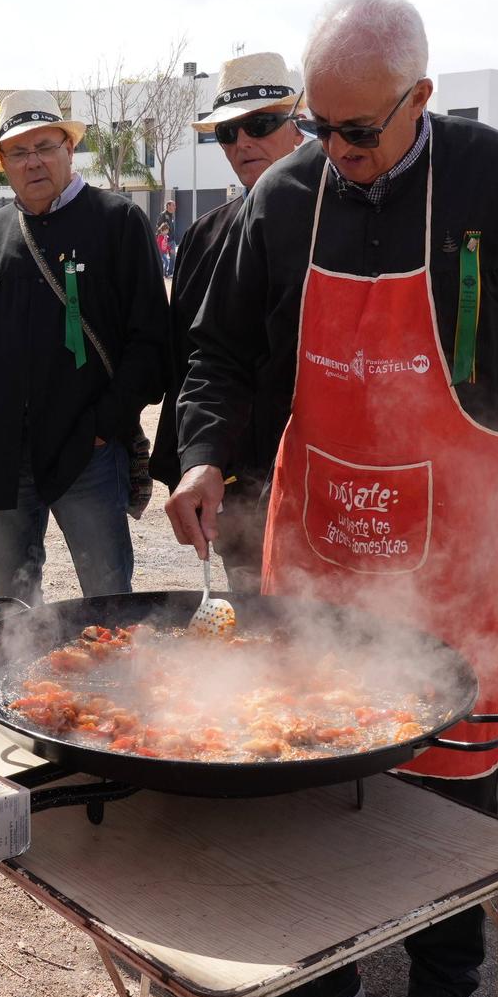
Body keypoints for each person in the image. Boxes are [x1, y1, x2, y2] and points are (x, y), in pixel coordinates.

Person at [167, 0, 498, 997]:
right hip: (318, 530)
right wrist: (200, 451)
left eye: (356, 129)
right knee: (312, 763)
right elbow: (218, 355)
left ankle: (442, 984)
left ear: (418, 96)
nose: (332, 150)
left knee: (448, 780)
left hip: (460, 545)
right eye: (315, 126)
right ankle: (323, 970)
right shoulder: (282, 198)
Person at [0, 89, 169, 604]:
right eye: (18, 152)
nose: (34, 161)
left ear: (69, 149)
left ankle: (114, 685)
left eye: (45, 146)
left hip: (86, 451)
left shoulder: (117, 221)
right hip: (1, 452)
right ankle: (23, 687)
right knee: (13, 604)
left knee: (108, 598)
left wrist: (101, 427)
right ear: (2, 163)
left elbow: (151, 343)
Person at [148, 51, 306, 592]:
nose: (243, 143)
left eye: (261, 124)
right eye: (227, 133)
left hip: (327, 482)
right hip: (234, 484)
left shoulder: (343, 221)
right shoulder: (204, 236)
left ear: (297, 125)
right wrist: (193, 460)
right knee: (258, 635)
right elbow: (188, 361)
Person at [154, 198, 178, 276]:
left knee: (173, 257)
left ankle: (170, 272)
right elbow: (158, 226)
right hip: (165, 241)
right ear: (168, 206)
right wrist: (162, 238)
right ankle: (163, 273)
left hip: (172, 240)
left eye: (175, 205)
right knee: (163, 259)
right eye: (173, 205)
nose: (175, 207)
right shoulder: (163, 215)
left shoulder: (172, 215)